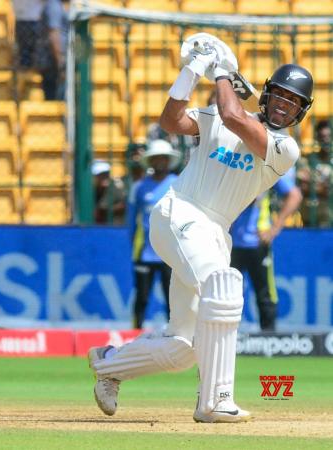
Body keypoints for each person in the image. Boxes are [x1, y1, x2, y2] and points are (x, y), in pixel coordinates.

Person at [87, 31, 312, 423]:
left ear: (299, 113)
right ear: (266, 94)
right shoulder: (218, 117)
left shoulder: (285, 149)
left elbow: (234, 116)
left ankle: (109, 364)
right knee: (223, 288)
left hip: (214, 233)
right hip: (179, 213)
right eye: (280, 96)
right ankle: (215, 400)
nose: (283, 106)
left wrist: (222, 72)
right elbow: (171, 120)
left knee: (183, 348)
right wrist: (192, 72)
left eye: (293, 103)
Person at [230, 168, 302, 332]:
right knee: (227, 293)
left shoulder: (265, 171)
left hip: (257, 243)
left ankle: (269, 340)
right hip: (230, 242)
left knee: (265, 293)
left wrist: (275, 228)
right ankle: (227, 339)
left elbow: (295, 195)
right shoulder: (232, 168)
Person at [126, 140, 180, 329]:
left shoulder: (178, 185)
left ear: (169, 161)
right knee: (141, 296)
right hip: (145, 252)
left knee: (172, 299)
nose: (160, 162)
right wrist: (135, 243)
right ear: (150, 161)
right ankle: (134, 334)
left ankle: (175, 337)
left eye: (163, 159)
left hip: (170, 253)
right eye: (156, 158)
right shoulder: (139, 187)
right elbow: (132, 220)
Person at [297, 120, 333, 227]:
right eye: (322, 136)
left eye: (328, 136)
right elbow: (301, 185)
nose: (325, 140)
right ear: (317, 138)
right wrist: (322, 187)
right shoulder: (309, 159)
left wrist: (311, 183)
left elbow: (329, 190)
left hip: (328, 218)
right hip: (307, 217)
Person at [36, 0, 70, 100]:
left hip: (58, 59)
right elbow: (54, 35)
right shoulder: (53, 6)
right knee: (56, 97)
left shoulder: (61, 5)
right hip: (53, 61)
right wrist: (61, 61)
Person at [92, 159, 126, 224]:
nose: (104, 177)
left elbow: (124, 205)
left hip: (116, 225)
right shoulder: (92, 189)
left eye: (106, 173)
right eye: (100, 174)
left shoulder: (117, 186)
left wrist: (105, 210)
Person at [12, 0, 44, 69]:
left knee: (25, 50)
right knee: (33, 49)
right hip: (33, 19)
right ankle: (31, 69)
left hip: (22, 19)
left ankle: (27, 68)